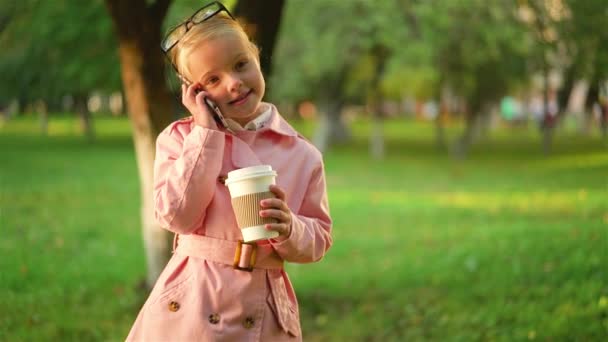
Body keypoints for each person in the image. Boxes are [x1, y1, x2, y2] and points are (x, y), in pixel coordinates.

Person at [126, 2, 333, 341]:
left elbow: (320, 239)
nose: (234, 83)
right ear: (195, 92)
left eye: (240, 64)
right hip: (193, 304)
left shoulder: (301, 153)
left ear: (256, 55)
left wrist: (290, 228)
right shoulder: (180, 140)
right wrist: (205, 135)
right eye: (213, 79)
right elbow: (176, 217)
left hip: (262, 311)